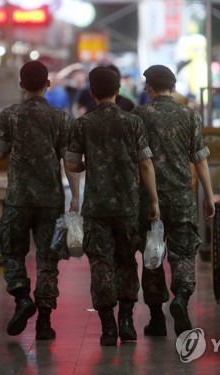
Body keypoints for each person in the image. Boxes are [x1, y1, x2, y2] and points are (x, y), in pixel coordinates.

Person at [64, 66, 160, 346]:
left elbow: (70, 163)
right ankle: (127, 322)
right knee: (127, 261)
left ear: (92, 92)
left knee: (101, 264)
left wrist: (86, 164)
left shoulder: (83, 124)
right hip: (128, 207)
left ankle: (107, 327)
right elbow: (145, 163)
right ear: (119, 90)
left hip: (97, 208)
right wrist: (153, 200)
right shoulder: (133, 122)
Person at [0, 61, 80, 339]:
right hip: (50, 200)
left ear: (21, 85)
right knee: (47, 259)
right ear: (48, 84)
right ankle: (44, 322)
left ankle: (21, 297)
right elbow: (69, 161)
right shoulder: (61, 118)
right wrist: (75, 196)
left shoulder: (9, 116)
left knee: (13, 250)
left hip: (18, 198)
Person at [131, 65, 215, 337]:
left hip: (148, 200)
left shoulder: (138, 115)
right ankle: (181, 300)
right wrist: (209, 196)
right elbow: (200, 160)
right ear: (174, 87)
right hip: (181, 196)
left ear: (149, 88)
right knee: (184, 255)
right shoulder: (189, 116)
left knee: (152, 256)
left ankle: (156, 320)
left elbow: (136, 162)